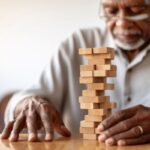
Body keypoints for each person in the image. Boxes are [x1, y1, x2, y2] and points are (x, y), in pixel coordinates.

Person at [1, 0, 150, 146]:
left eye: (136, 10)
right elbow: (29, 96)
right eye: (111, 12)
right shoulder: (79, 43)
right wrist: (27, 103)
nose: (121, 23)